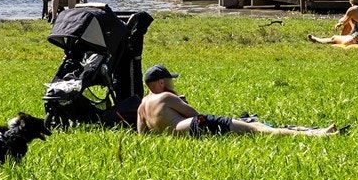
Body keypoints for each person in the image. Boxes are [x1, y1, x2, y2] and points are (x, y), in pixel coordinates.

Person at [136, 65, 340, 137]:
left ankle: (314, 132)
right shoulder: (166, 97)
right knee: (257, 128)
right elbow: (195, 115)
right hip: (196, 126)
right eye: (170, 80)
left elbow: (143, 134)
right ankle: (317, 135)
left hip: (184, 132)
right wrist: (183, 102)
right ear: (161, 82)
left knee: (249, 125)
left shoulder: (142, 106)